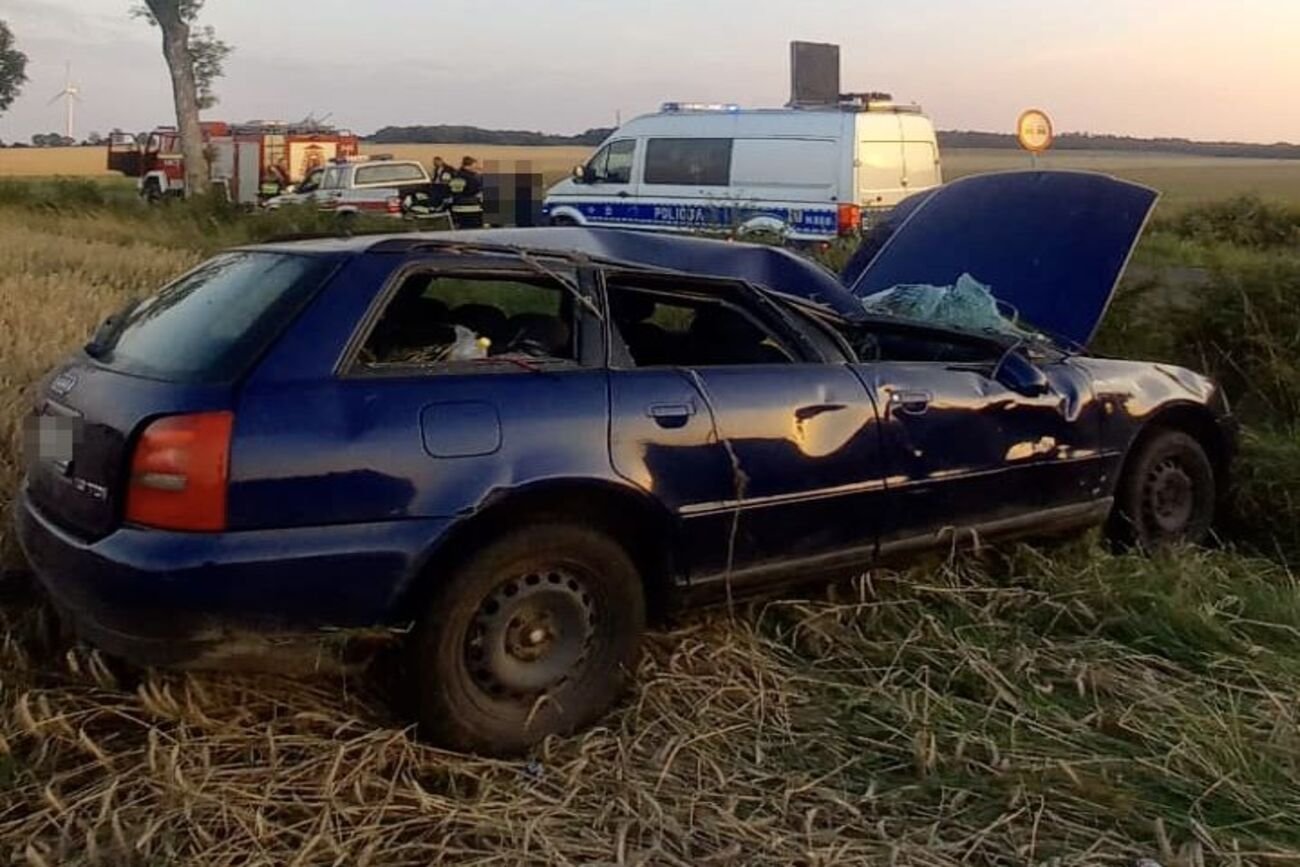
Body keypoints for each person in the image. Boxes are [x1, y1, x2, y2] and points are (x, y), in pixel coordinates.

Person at [447, 156, 485, 229]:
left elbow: (454, 191)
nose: (477, 167)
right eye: (475, 165)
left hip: (459, 208)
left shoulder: (457, 175)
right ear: (468, 166)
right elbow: (472, 191)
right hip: (470, 209)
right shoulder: (468, 178)